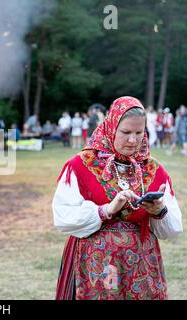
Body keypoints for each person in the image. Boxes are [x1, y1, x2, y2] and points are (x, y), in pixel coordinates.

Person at [52, 96, 183, 300]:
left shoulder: (153, 170)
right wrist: (106, 210)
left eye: (139, 133)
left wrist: (159, 211)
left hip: (141, 270)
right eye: (126, 132)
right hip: (94, 268)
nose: (133, 140)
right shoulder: (81, 165)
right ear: (111, 126)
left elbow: (173, 229)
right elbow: (63, 217)